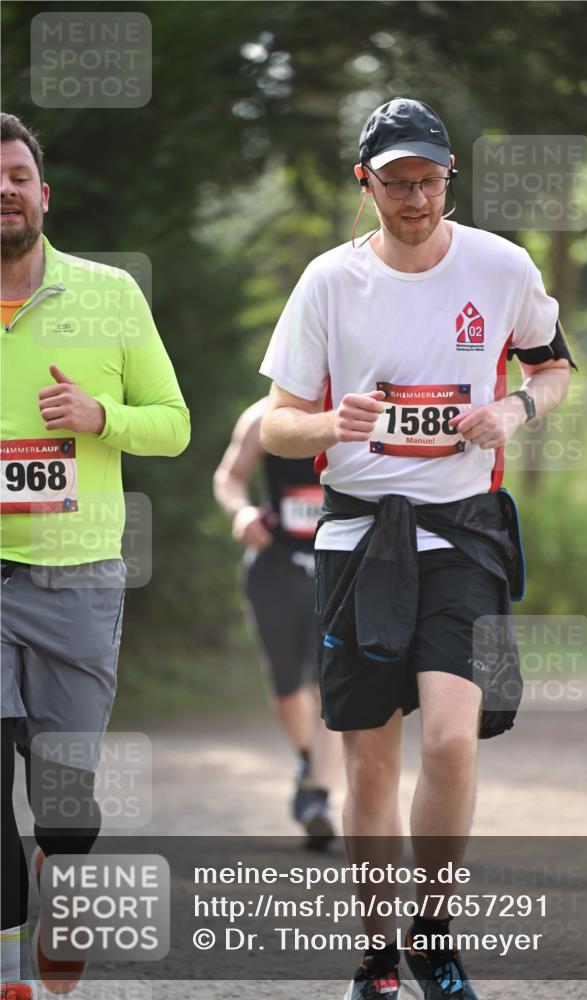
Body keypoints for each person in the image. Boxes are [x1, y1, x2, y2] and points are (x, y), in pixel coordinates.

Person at [259, 98, 576, 999]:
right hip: (359, 536)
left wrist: (513, 407)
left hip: (459, 534)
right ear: (365, 183)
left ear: (448, 179)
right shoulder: (327, 281)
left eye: (429, 182)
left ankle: (432, 930)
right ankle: (374, 957)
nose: (414, 199)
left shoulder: (500, 266)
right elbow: (278, 425)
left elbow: (550, 366)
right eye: (396, 184)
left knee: (448, 741)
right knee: (369, 758)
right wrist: (329, 419)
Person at [0, 113, 190, 999]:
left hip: (75, 581)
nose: (3, 190)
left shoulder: (110, 294)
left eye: (15, 176)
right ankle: (10, 974)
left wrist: (100, 419)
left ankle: (59, 879)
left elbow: (175, 424)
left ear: (44, 194)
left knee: (65, 801)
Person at [213, 397, 340, 845]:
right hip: (274, 568)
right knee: (288, 692)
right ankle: (309, 761)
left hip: (336, 568)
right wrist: (241, 511)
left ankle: (319, 798)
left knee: (328, 685)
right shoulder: (261, 416)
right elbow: (229, 477)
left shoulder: (354, 408)